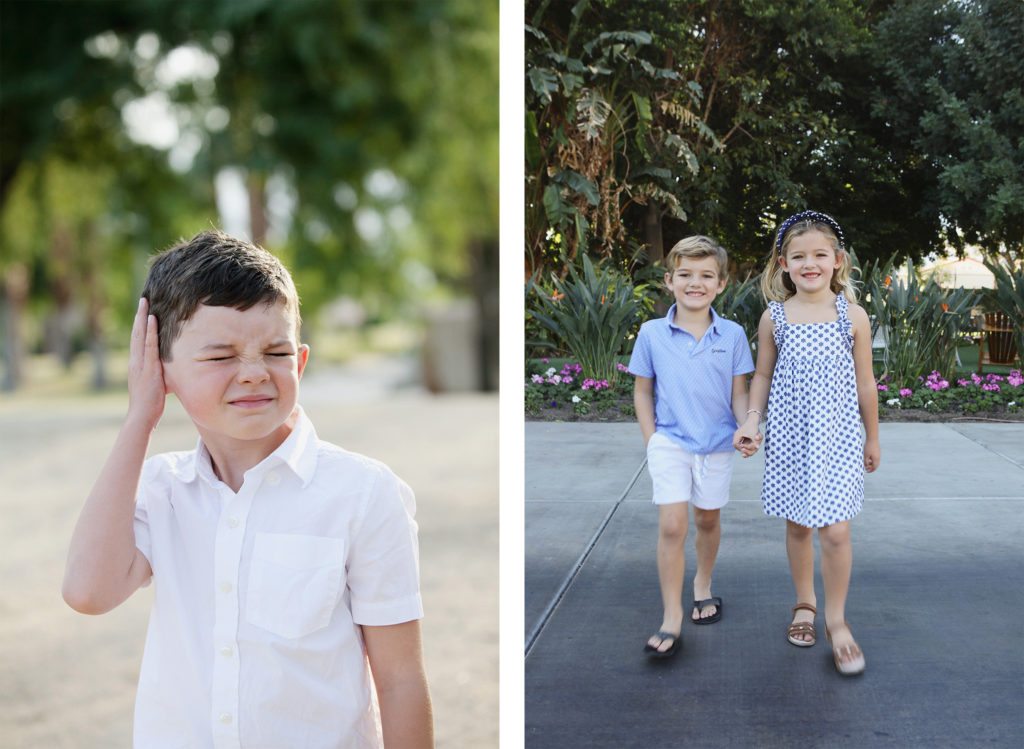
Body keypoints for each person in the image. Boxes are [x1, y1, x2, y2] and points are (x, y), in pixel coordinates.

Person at [62, 230, 433, 748]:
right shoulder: (161, 490)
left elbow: (400, 683)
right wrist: (138, 419)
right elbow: (87, 592)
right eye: (221, 357)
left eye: (276, 352)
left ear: (300, 362)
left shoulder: (363, 494)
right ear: (160, 372)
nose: (255, 374)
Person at [733, 210, 880, 676]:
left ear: (838, 261)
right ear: (783, 263)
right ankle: (805, 605)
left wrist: (872, 435)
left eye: (820, 254)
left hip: (837, 439)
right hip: (792, 440)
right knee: (798, 526)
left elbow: (866, 383)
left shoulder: (851, 315)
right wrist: (753, 421)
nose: (809, 263)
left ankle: (837, 620)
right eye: (799, 256)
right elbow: (762, 374)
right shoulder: (774, 316)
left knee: (835, 531)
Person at [628, 236, 755, 658]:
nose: (694, 283)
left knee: (706, 519)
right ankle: (671, 616)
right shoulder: (651, 333)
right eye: (685, 274)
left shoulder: (733, 334)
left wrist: (746, 428)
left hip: (717, 444)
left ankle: (703, 583)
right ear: (669, 280)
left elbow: (740, 394)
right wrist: (653, 441)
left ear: (721, 284)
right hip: (670, 442)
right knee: (671, 526)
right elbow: (643, 392)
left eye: (706, 276)